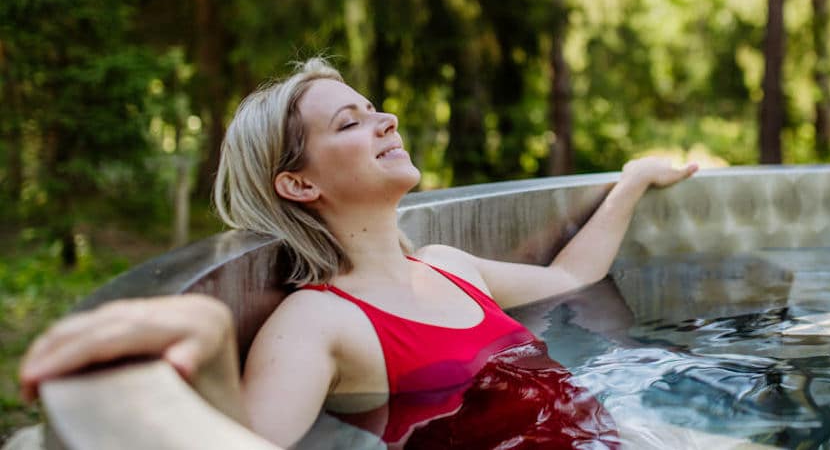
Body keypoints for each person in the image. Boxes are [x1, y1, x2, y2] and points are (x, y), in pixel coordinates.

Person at [20, 58, 697, 448]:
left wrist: (632, 180)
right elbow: (254, 444)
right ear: (299, 182)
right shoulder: (319, 321)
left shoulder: (450, 266)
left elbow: (573, 274)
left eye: (375, 109)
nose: (387, 120)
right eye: (350, 122)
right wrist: (207, 339)